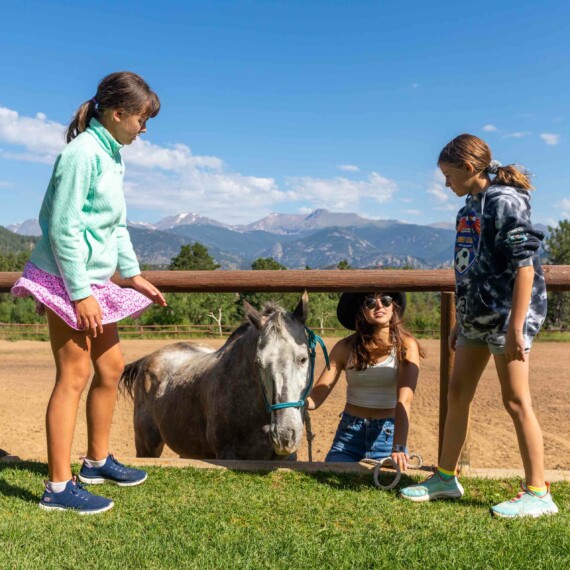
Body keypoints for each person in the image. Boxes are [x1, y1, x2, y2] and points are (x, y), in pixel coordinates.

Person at [11, 71, 167, 514]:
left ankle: (96, 462)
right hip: (66, 277)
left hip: (91, 279)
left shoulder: (111, 154)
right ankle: (58, 488)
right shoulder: (82, 155)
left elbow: (113, 225)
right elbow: (60, 227)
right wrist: (81, 293)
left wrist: (133, 275)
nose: (144, 128)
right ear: (118, 114)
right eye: (141, 119)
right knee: (74, 376)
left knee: (112, 366)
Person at [400, 133, 558, 518]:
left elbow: (524, 269)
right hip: (476, 316)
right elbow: (468, 267)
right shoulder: (468, 207)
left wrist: (515, 327)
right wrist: (461, 317)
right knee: (457, 394)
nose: (445, 183)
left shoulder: (504, 202)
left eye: (448, 175)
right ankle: (445, 477)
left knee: (516, 400)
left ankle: (539, 492)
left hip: (507, 317)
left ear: (468, 169)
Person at [306, 291, 423, 470]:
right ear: (360, 310)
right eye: (370, 302)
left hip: (388, 436)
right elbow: (315, 398)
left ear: (394, 307)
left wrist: (398, 447)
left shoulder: (406, 346)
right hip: (348, 435)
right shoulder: (344, 348)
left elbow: (404, 400)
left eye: (385, 300)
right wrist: (292, 402)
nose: (379, 305)